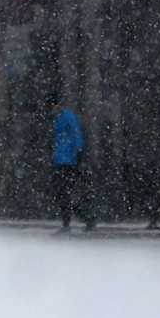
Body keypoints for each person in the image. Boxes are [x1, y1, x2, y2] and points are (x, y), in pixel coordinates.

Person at [50, 97, 96, 233]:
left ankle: (74, 222)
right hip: (61, 160)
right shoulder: (59, 118)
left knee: (65, 193)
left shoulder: (67, 117)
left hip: (68, 161)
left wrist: (78, 153)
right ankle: (82, 220)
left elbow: (76, 135)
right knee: (64, 193)